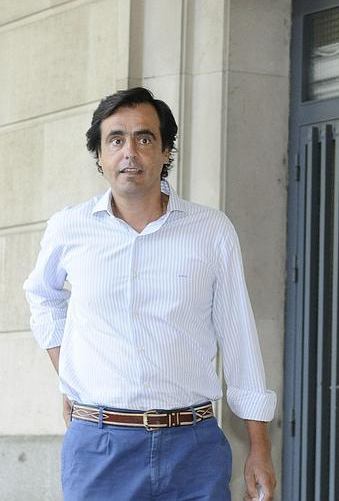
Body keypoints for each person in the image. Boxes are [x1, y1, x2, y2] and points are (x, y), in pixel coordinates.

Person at [24, 87, 276, 501]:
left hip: (194, 449)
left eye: (144, 138)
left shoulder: (211, 231)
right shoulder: (69, 228)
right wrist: (68, 372)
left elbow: (240, 338)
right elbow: (42, 295)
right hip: (100, 448)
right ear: (100, 155)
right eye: (115, 140)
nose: (130, 152)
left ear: (165, 152)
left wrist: (259, 447)